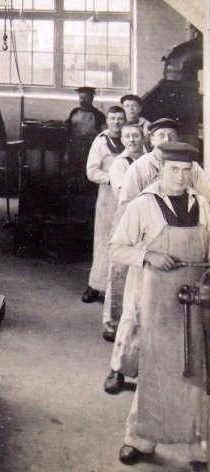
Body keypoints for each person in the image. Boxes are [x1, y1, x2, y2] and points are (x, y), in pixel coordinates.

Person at [108, 142, 209, 465]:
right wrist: (147, 255)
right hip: (157, 300)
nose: (180, 177)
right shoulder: (144, 205)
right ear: (161, 169)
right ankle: (140, 440)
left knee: (195, 368)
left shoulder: (203, 204)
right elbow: (117, 248)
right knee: (155, 368)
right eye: (174, 170)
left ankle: (196, 444)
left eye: (186, 171)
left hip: (197, 301)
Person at [104, 117, 210, 393]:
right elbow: (125, 205)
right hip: (146, 256)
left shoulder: (192, 171)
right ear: (152, 140)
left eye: (171, 134)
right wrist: (144, 251)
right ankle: (119, 369)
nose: (166, 139)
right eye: (160, 135)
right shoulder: (140, 167)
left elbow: (205, 195)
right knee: (133, 317)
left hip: (186, 270)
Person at [102, 123, 146, 343]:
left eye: (135, 136)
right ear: (122, 140)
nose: (131, 140)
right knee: (119, 271)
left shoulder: (151, 160)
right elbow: (124, 193)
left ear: (143, 138)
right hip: (126, 219)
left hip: (148, 222)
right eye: (127, 136)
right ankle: (112, 323)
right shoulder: (119, 164)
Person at [82, 106, 127, 305]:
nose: (116, 122)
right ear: (107, 120)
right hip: (108, 198)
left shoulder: (133, 138)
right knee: (103, 241)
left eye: (120, 118)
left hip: (129, 199)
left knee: (125, 241)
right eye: (113, 118)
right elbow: (91, 171)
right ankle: (95, 286)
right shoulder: (100, 142)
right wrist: (114, 179)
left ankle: (119, 290)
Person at [65, 86, 106, 192]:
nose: (82, 100)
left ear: (92, 98)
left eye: (85, 97)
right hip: (75, 148)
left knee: (88, 174)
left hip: (90, 149)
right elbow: (68, 130)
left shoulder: (98, 115)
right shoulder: (74, 112)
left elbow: (104, 134)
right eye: (80, 97)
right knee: (74, 173)